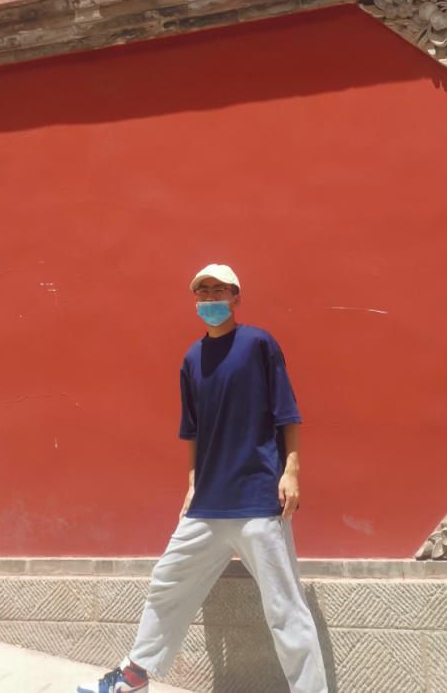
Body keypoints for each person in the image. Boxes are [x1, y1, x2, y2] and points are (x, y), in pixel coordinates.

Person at [84, 263, 328, 693]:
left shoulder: (258, 343)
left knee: (285, 608)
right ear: (195, 300)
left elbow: (286, 413)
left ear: (236, 297)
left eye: (219, 290)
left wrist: (291, 470)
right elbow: (193, 431)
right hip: (207, 505)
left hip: (257, 499)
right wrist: (193, 483)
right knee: (167, 582)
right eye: (203, 291)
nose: (210, 297)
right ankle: (134, 677)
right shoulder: (192, 359)